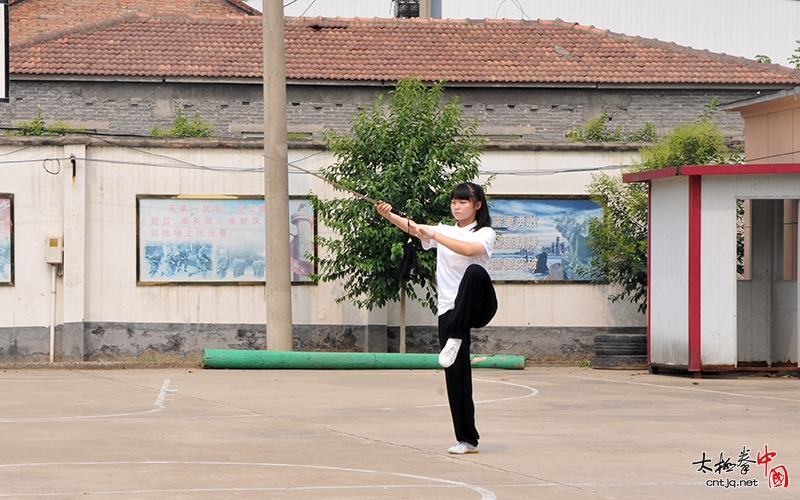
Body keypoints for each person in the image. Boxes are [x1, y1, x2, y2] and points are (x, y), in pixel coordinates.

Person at [376, 182, 497, 455]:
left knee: (475, 273)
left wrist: (435, 234)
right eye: (454, 201)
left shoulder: (485, 232)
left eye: (463, 202)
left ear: (477, 205)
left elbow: (469, 251)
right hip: (450, 311)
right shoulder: (443, 230)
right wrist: (388, 214)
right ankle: (467, 439)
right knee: (456, 376)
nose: (457, 206)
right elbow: (414, 227)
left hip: (479, 305)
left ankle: (455, 335)